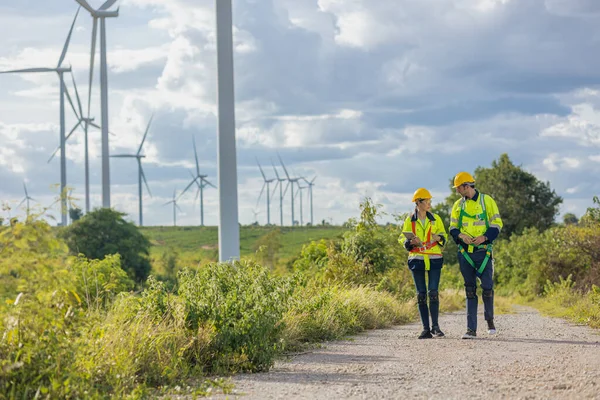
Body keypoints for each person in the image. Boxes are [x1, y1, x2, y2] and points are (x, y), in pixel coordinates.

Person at [448, 172, 503, 339]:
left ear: (466, 186)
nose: (457, 191)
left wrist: (484, 237)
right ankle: (471, 329)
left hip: (484, 252)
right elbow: (452, 227)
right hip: (465, 254)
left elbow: (497, 224)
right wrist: (460, 236)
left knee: (487, 287)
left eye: (458, 188)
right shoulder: (458, 205)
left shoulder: (487, 202)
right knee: (470, 290)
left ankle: (490, 319)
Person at [401, 188, 448, 339]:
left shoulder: (436, 219)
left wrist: (439, 238)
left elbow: (444, 235)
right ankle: (425, 329)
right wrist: (409, 242)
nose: (429, 204)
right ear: (418, 203)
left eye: (430, 201)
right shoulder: (409, 220)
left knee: (433, 292)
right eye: (426, 201)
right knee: (421, 295)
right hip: (417, 259)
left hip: (434, 258)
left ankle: (436, 327)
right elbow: (402, 238)